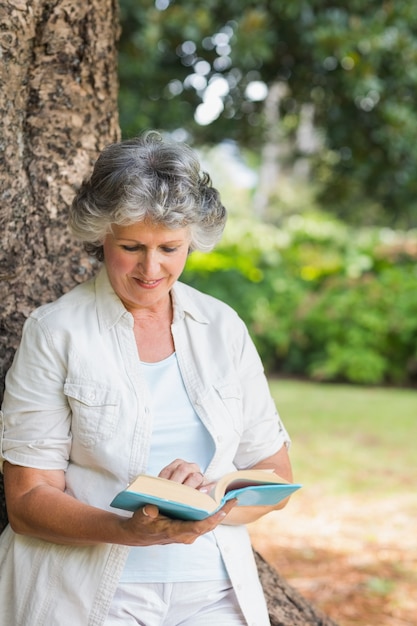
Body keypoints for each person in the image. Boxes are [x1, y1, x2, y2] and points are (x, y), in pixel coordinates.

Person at [0, 131, 294, 626]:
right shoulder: (55, 331)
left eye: (170, 248)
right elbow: (28, 500)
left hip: (213, 589)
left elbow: (276, 475)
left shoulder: (222, 327)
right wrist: (131, 530)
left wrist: (208, 502)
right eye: (132, 246)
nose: (151, 268)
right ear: (101, 236)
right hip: (93, 591)